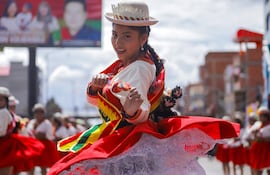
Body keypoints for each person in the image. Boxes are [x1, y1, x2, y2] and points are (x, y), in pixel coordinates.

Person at [48, 2, 239, 175]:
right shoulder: (125, 66)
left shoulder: (139, 67)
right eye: (115, 35)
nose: (118, 43)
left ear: (143, 38)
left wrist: (133, 111)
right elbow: (104, 101)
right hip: (125, 141)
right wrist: (96, 87)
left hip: (128, 143)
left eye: (126, 36)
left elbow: (143, 108)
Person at [0, 87, 45, 175]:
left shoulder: (3, 112)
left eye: (0, 99)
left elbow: (1, 131)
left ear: (6, 101)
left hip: (4, 146)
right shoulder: (6, 113)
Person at [27, 103, 61, 175]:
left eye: (40, 112)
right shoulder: (32, 122)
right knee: (31, 165)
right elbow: (28, 134)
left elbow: (50, 136)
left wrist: (42, 136)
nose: (38, 114)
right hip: (33, 146)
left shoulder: (47, 123)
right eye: (36, 112)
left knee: (43, 166)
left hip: (44, 147)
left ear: (43, 113)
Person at [249, 106, 270, 175]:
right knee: (258, 170)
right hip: (259, 150)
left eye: (263, 116)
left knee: (268, 169)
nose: (261, 118)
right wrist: (255, 134)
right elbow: (253, 137)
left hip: (267, 150)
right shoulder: (258, 125)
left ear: (267, 117)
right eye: (260, 116)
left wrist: (262, 139)